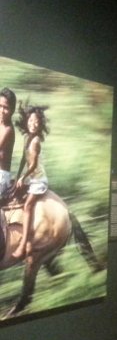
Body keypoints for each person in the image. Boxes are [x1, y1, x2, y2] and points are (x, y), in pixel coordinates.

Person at [12, 104, 50, 259]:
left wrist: (23, 178)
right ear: (27, 120)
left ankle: (23, 245)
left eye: (36, 122)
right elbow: (23, 159)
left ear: (40, 125)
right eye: (31, 120)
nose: (33, 124)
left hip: (39, 180)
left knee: (28, 206)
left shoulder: (35, 141)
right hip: (31, 178)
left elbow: (33, 164)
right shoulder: (26, 137)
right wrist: (18, 176)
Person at [0, 87, 17, 203]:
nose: (1, 110)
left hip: (1, 176)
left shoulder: (8, 129)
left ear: (12, 110)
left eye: (5, 108)